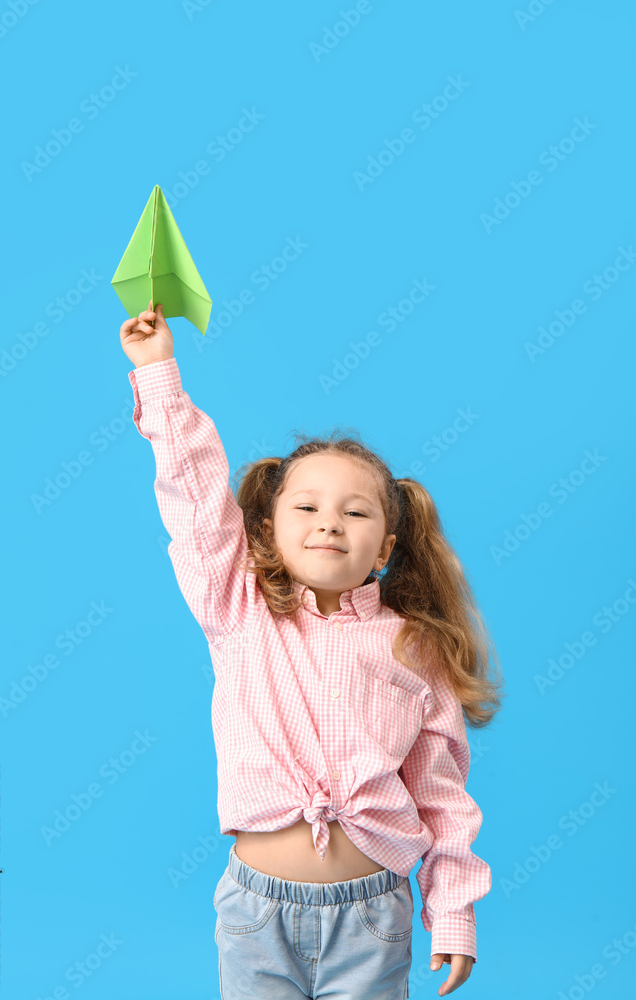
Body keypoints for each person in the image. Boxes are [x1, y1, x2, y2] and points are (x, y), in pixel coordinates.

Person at [120, 301, 504, 999]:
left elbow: (442, 798)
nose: (329, 522)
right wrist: (158, 374)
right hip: (254, 912)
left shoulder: (413, 648)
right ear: (266, 527)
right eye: (306, 507)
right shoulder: (240, 612)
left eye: (355, 512)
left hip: (372, 917)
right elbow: (198, 502)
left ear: (385, 547)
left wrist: (451, 915)